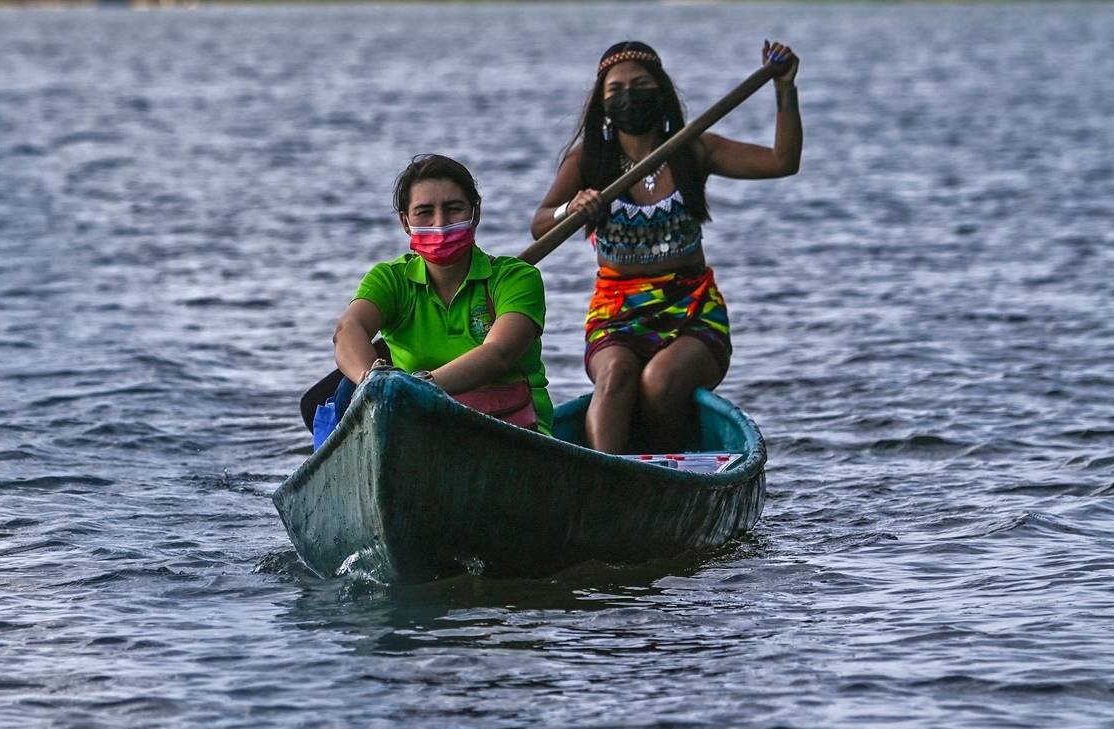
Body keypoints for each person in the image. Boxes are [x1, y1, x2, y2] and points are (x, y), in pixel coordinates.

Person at [529, 40, 801, 453]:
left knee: (660, 380)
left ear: (662, 92)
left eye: (639, 84)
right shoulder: (589, 160)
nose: (628, 95)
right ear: (602, 107)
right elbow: (540, 225)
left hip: (692, 308)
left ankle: (661, 473)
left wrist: (784, 89)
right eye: (615, 90)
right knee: (617, 373)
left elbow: (782, 161)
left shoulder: (693, 149)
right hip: (616, 311)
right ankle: (607, 476)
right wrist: (573, 207)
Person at [329, 153, 553, 437]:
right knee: (346, 390)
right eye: (425, 212)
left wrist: (417, 386)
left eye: (453, 208)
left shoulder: (516, 277)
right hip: (421, 428)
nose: (440, 223)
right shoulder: (390, 279)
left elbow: (499, 354)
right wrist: (370, 380)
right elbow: (348, 329)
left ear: (476, 213)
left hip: (512, 428)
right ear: (405, 222)